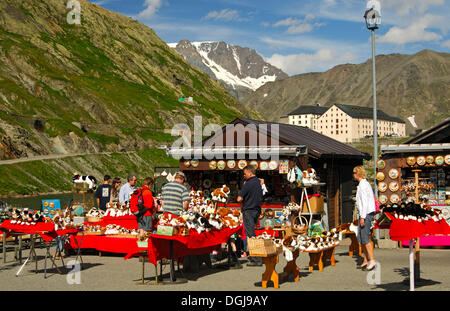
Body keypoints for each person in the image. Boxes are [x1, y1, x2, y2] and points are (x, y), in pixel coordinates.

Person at [237, 165, 263, 267]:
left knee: (250, 235)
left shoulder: (247, 184)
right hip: (256, 209)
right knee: (253, 233)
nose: (244, 175)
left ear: (249, 173)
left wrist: (240, 194)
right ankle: (256, 256)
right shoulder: (258, 182)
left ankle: (256, 259)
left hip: (249, 210)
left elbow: (239, 199)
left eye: (245, 174)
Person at [353, 165, 377, 271]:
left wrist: (362, 217)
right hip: (364, 214)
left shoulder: (363, 185)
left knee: (365, 238)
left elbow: (364, 202)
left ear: (357, 174)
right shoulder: (363, 184)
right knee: (362, 239)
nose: (353, 175)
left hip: (365, 214)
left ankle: (372, 260)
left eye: (354, 173)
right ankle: (366, 260)